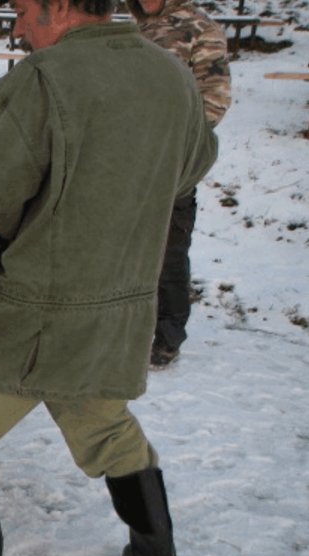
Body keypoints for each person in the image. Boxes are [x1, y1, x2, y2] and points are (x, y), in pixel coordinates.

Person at [0, 0, 218, 556]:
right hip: (120, 311)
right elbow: (193, 164)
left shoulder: (39, 82)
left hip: (30, 316)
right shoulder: (171, 74)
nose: (17, 26)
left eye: (22, 11)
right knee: (105, 426)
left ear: (62, 6)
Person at [126, 0, 231, 368]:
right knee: (124, 251)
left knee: (168, 251)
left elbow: (214, 98)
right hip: (124, 162)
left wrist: (176, 148)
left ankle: (167, 337)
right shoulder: (134, 29)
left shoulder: (200, 28)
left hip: (171, 167)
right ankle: (126, 327)